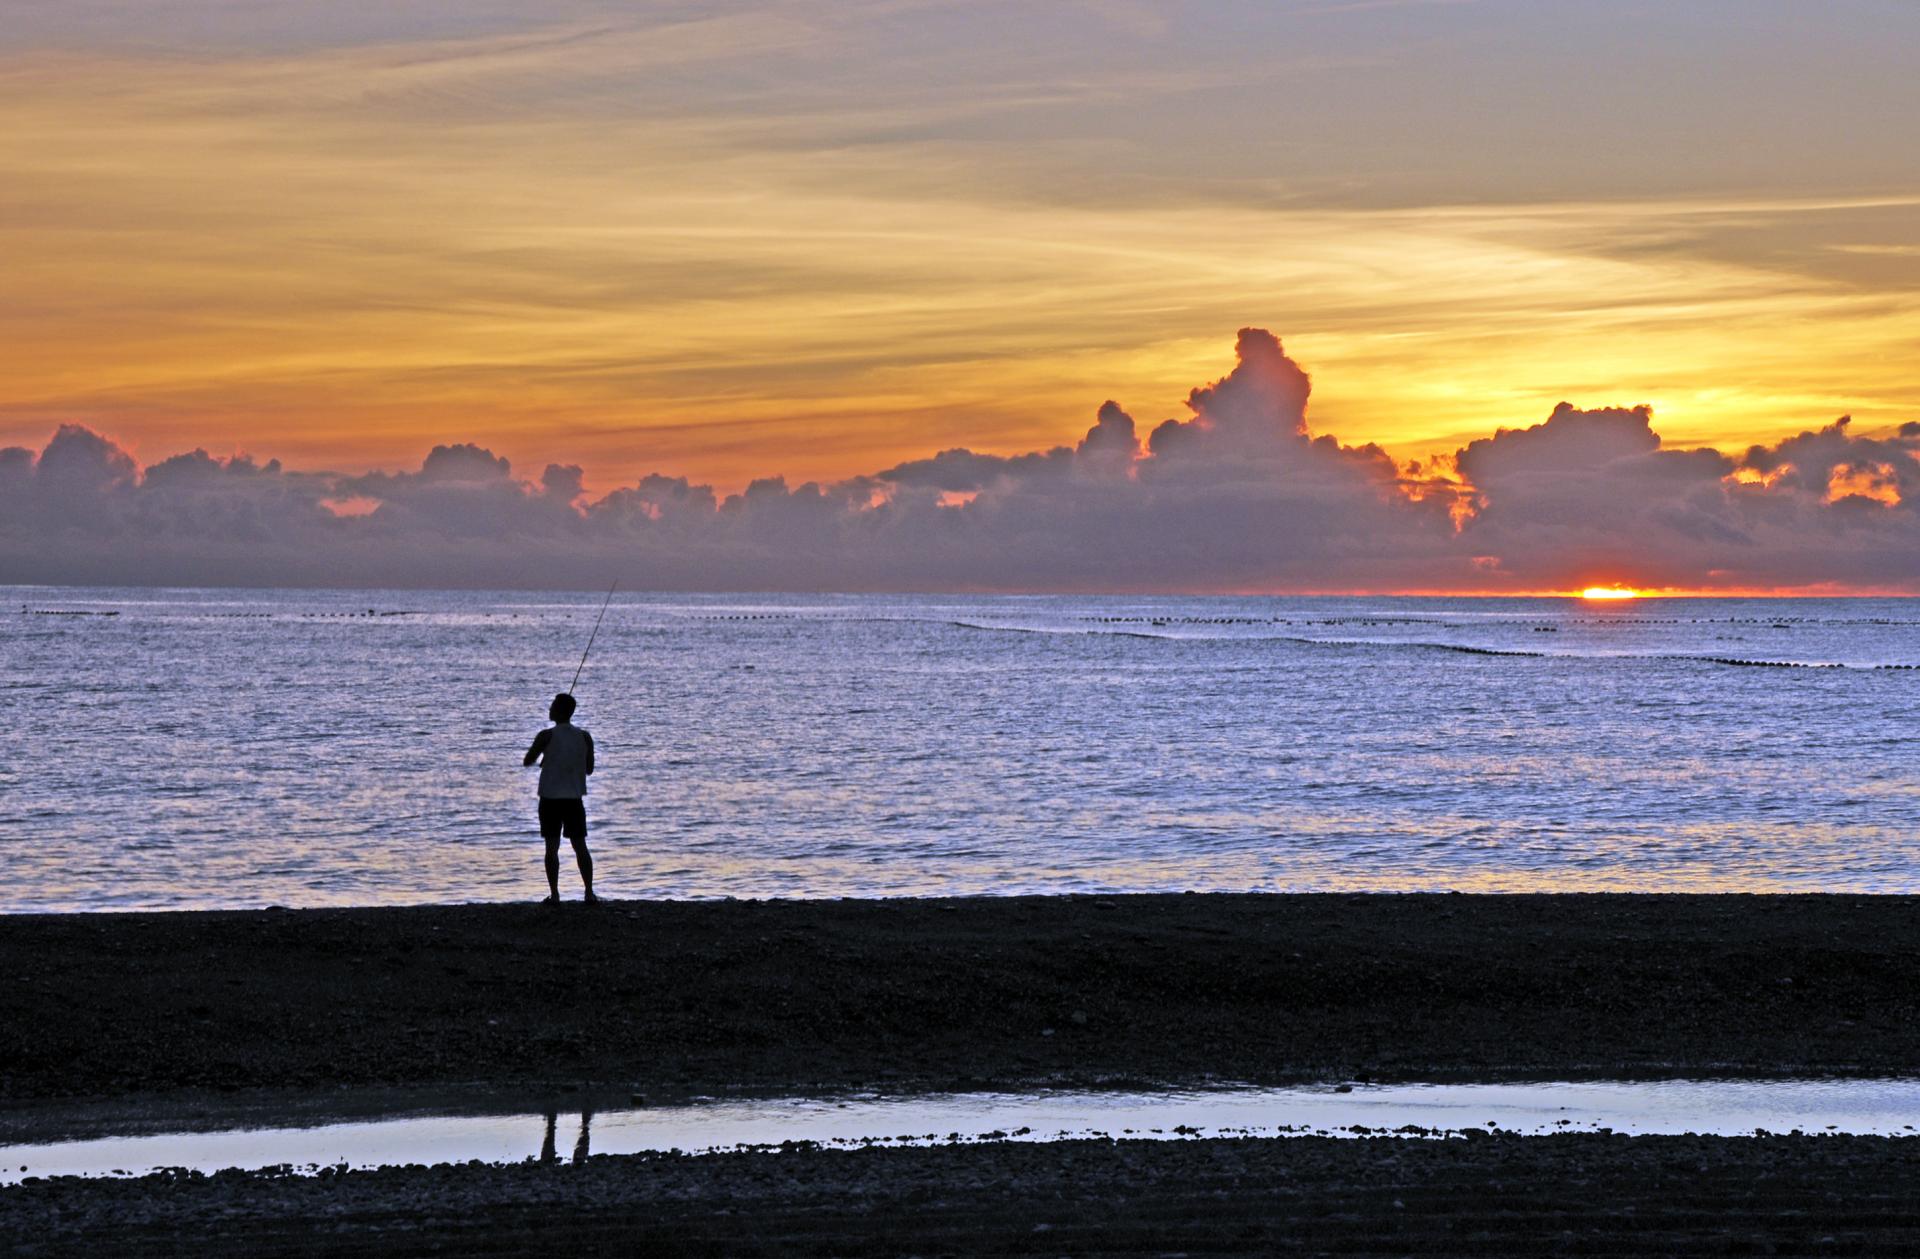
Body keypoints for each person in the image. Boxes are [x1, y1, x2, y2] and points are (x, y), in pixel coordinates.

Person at [524, 692, 597, 904]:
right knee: (580, 846)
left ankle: (555, 895)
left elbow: (527, 760)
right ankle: (589, 893)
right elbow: (589, 769)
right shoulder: (584, 737)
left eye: (553, 705)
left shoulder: (546, 736)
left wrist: (546, 756)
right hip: (574, 798)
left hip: (550, 798)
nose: (550, 708)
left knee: (551, 848)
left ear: (559, 711)